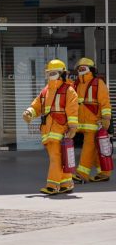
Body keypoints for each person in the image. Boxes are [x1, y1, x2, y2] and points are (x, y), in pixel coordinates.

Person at [22, 59, 78, 195]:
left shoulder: (69, 91)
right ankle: (66, 183)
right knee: (61, 157)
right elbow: (37, 106)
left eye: (54, 72)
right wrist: (29, 112)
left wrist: (72, 127)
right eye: (49, 72)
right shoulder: (46, 90)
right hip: (48, 130)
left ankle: (53, 186)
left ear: (62, 73)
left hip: (60, 129)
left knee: (55, 158)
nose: (51, 75)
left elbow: (72, 110)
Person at [72, 57, 112, 183]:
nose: (80, 70)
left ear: (91, 69)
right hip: (80, 123)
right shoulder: (75, 84)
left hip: (95, 123)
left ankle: (81, 174)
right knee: (94, 149)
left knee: (88, 148)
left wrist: (106, 118)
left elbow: (105, 102)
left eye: (83, 68)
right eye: (79, 68)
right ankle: (104, 172)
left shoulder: (98, 83)